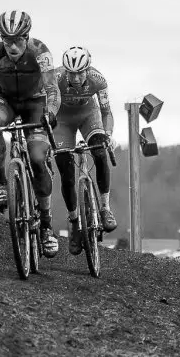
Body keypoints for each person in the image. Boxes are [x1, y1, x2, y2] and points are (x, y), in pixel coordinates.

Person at [0, 10, 61, 257]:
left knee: (38, 159)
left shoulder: (40, 51)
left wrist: (50, 112)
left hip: (35, 103)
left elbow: (52, 88)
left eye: (17, 40)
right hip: (4, 99)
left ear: (27, 36)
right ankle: (2, 183)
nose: (12, 46)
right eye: (7, 40)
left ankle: (47, 225)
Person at [53, 46, 117, 255]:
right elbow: (44, 109)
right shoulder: (55, 78)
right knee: (65, 171)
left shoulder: (98, 80)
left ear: (87, 70)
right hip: (62, 120)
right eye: (72, 73)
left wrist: (107, 134)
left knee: (99, 152)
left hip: (89, 115)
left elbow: (107, 112)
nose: (77, 77)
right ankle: (74, 223)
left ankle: (105, 208)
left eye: (81, 72)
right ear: (66, 71)